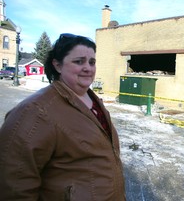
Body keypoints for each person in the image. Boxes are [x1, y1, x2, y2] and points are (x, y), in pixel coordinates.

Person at [0, 33, 126, 200]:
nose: (88, 67)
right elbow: (15, 184)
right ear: (58, 65)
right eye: (78, 61)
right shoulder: (35, 111)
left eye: (92, 62)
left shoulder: (92, 100)